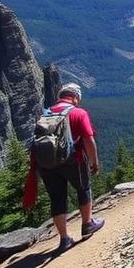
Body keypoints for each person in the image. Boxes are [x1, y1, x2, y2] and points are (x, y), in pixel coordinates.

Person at [36, 83, 104, 252]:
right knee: (83, 189)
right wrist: (94, 162)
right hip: (74, 161)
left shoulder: (45, 114)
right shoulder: (79, 113)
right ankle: (87, 224)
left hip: (47, 164)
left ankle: (64, 239)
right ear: (75, 97)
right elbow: (88, 139)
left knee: (57, 198)